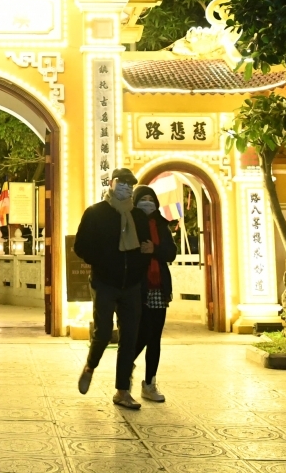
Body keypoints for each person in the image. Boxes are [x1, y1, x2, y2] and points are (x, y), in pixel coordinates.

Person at [73, 168, 152, 410]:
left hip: (132, 285)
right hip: (105, 282)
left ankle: (122, 391)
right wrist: (103, 261)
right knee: (104, 332)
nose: (126, 187)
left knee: (129, 337)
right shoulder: (96, 213)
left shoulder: (138, 216)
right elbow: (80, 246)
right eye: (122, 182)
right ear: (111, 183)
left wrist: (140, 263)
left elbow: (147, 247)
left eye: (131, 184)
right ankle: (90, 365)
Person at [130, 184, 177, 403]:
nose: (147, 202)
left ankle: (149, 383)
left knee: (154, 337)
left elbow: (171, 253)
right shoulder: (130, 223)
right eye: (143, 198)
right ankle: (126, 367)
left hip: (159, 287)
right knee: (140, 333)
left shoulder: (162, 225)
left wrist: (154, 250)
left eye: (151, 199)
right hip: (137, 286)